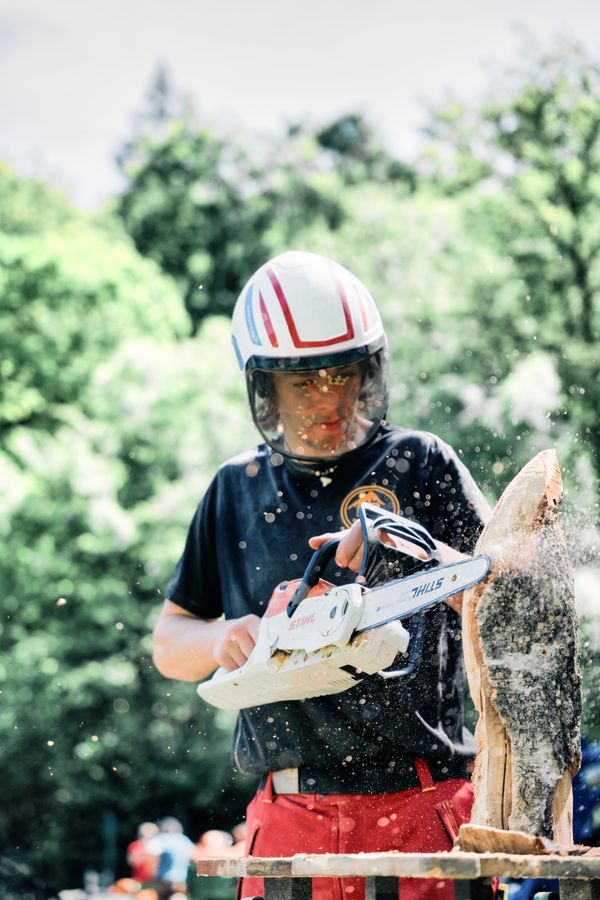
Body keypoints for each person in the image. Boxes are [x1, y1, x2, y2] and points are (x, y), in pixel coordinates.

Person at [153, 251, 493, 900]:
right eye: (305, 384)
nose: (329, 397)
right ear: (265, 386)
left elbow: (502, 601)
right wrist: (223, 639)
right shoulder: (236, 489)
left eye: (343, 375)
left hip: (427, 802)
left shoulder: (419, 463)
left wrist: (405, 544)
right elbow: (169, 642)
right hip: (289, 813)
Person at [145, 816, 198, 900]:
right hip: (182, 881)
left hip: (165, 881)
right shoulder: (184, 840)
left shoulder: (163, 838)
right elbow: (195, 857)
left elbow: (150, 852)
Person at [127, 821, 160, 886]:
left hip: (155, 881)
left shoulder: (159, 846)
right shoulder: (136, 845)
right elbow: (133, 862)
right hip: (139, 881)